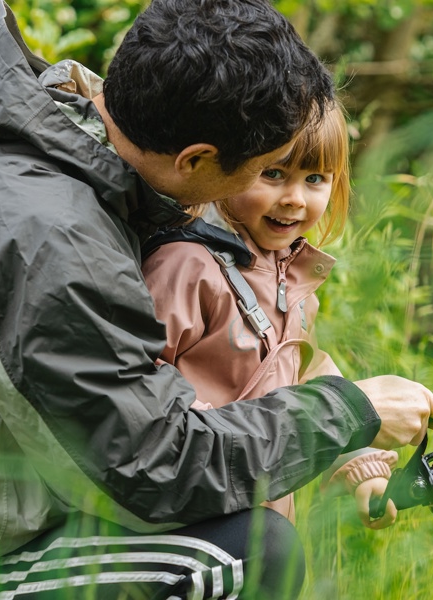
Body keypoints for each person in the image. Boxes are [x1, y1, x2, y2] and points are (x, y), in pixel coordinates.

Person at [0, 0, 433, 598]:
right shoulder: (48, 235)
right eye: (264, 170)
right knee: (245, 552)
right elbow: (155, 469)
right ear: (196, 159)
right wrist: (346, 412)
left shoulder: (54, 157)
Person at [142, 99, 401, 533]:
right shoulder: (185, 266)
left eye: (315, 179)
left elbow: (307, 382)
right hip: (187, 518)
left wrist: (358, 460)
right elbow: (141, 384)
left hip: (256, 520)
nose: (294, 199)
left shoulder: (290, 280)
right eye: (274, 174)